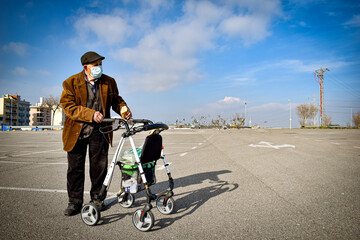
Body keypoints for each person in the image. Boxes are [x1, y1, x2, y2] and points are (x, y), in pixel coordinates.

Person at [60, 51, 132, 216]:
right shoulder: (70, 83)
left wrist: (123, 109)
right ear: (86, 67)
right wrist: (90, 114)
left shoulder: (109, 82)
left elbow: (116, 100)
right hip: (77, 132)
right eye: (95, 65)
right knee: (75, 169)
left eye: (100, 64)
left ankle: (97, 200)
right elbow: (68, 106)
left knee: (99, 168)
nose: (99, 67)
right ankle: (74, 202)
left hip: (100, 132)